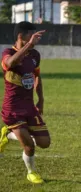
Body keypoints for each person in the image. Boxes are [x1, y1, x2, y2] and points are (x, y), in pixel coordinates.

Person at [0, 21, 50, 184]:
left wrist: (41, 99)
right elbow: (10, 64)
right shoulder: (8, 52)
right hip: (12, 108)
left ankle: (7, 134)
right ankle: (31, 172)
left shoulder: (35, 55)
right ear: (21, 36)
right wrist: (29, 45)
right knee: (29, 146)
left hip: (29, 106)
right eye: (32, 35)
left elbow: (37, 77)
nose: (35, 40)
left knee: (45, 143)